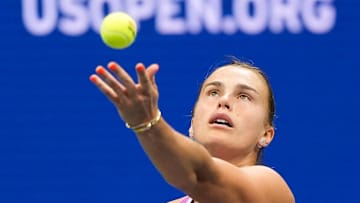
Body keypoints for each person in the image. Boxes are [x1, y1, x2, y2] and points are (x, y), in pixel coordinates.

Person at [89, 56, 295, 203]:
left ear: (266, 135)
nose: (224, 101)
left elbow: (201, 176)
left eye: (244, 96)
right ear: (192, 125)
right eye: (213, 92)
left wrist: (148, 122)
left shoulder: (270, 189)